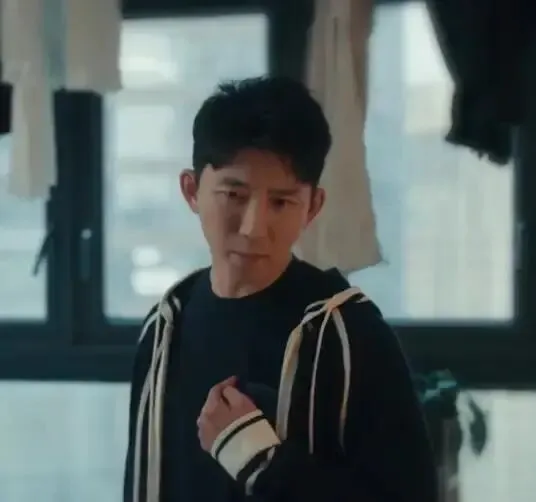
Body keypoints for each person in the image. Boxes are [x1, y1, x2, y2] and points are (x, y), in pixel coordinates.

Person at [123, 76, 438, 502]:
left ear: (313, 207)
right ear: (192, 191)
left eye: (281, 202)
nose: (254, 228)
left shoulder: (347, 331)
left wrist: (260, 461)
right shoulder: (165, 324)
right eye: (234, 195)